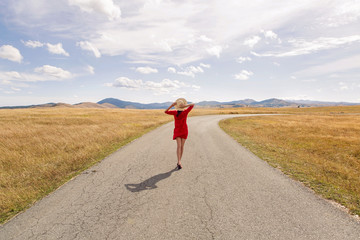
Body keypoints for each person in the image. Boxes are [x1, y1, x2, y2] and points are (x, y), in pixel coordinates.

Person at [164, 98, 195, 170]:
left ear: (177, 106)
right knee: (182, 147)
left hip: (178, 130)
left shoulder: (175, 112)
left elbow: (166, 111)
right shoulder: (186, 111)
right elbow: (193, 104)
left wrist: (171, 105)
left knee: (179, 146)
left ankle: (179, 161)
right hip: (184, 130)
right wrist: (184, 106)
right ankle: (179, 162)